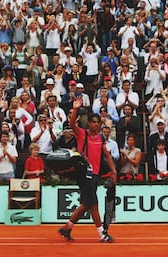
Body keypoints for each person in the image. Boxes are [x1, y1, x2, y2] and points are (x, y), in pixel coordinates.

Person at [58, 96, 117, 243]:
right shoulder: (82, 134)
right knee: (93, 203)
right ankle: (102, 234)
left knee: (86, 204)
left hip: (95, 174)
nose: (97, 125)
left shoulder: (100, 138)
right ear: (89, 123)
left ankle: (66, 228)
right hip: (84, 173)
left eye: (98, 122)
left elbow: (107, 156)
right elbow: (72, 123)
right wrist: (76, 108)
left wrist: (113, 171)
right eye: (94, 122)